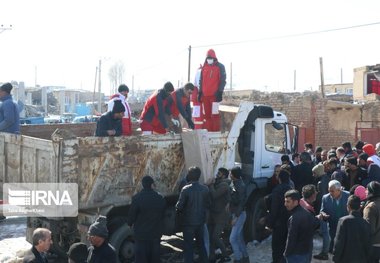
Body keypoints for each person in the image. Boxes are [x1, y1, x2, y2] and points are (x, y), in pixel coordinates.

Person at [127, 176, 166, 263]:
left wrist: (130, 224)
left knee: (141, 259)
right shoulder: (160, 198)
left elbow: (131, 216)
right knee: (155, 258)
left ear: (143, 185)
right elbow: (163, 215)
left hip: (141, 235)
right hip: (155, 234)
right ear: (152, 185)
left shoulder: (137, 198)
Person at [176, 166, 210, 263]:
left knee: (188, 246)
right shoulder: (205, 189)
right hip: (200, 221)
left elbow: (179, 206)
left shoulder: (185, 189)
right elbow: (208, 204)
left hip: (188, 223)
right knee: (201, 244)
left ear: (189, 176)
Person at [332, 195, 371, 263]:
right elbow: (368, 244)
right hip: (361, 259)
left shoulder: (343, 221)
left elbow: (338, 242)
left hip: (345, 259)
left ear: (348, 206)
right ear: (359, 207)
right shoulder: (365, 223)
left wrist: (335, 258)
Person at [283, 190, 319, 263]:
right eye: (285, 201)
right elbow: (315, 226)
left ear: (296, 202)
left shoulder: (294, 218)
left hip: (295, 256)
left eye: (288, 202)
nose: (285, 204)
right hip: (306, 253)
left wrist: (286, 253)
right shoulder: (307, 213)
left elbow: (291, 238)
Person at [317, 180, 349, 256]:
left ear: (339, 190)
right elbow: (322, 210)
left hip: (345, 227)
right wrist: (323, 214)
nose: (330, 193)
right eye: (329, 190)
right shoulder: (325, 198)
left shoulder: (348, 196)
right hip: (332, 226)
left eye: (332, 191)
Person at [266, 170, 292, 263]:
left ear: (279, 179)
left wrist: (270, 224)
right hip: (289, 222)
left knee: (277, 247)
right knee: (285, 245)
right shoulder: (291, 189)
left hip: (279, 223)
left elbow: (274, 209)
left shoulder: (277, 190)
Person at [198, 49, 226, 132]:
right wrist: (200, 93)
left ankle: (215, 133)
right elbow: (201, 80)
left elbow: (223, 80)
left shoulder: (220, 66)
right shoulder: (204, 67)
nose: (208, 59)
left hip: (214, 96)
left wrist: (220, 92)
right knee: (206, 116)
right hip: (205, 96)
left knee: (215, 115)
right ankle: (208, 132)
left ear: (214, 58)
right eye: (207, 58)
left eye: (210, 57)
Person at [206, 167, 231, 263]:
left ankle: (225, 255)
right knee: (210, 236)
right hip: (214, 214)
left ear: (224, 175)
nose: (217, 174)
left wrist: (210, 185)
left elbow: (215, 195)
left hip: (221, 216)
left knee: (215, 237)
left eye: (219, 173)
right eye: (217, 173)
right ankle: (211, 257)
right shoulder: (218, 183)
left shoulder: (224, 185)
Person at [229, 166, 249, 263]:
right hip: (237, 213)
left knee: (232, 239)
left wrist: (236, 217)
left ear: (233, 175)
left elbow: (241, 203)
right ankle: (245, 258)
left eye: (230, 173)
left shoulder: (240, 186)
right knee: (239, 238)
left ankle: (238, 259)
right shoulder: (236, 183)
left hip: (239, 214)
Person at [363, 181, 380, 263]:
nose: (365, 191)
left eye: (367, 189)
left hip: (373, 245)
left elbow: (368, 230)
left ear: (371, 192)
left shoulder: (370, 207)